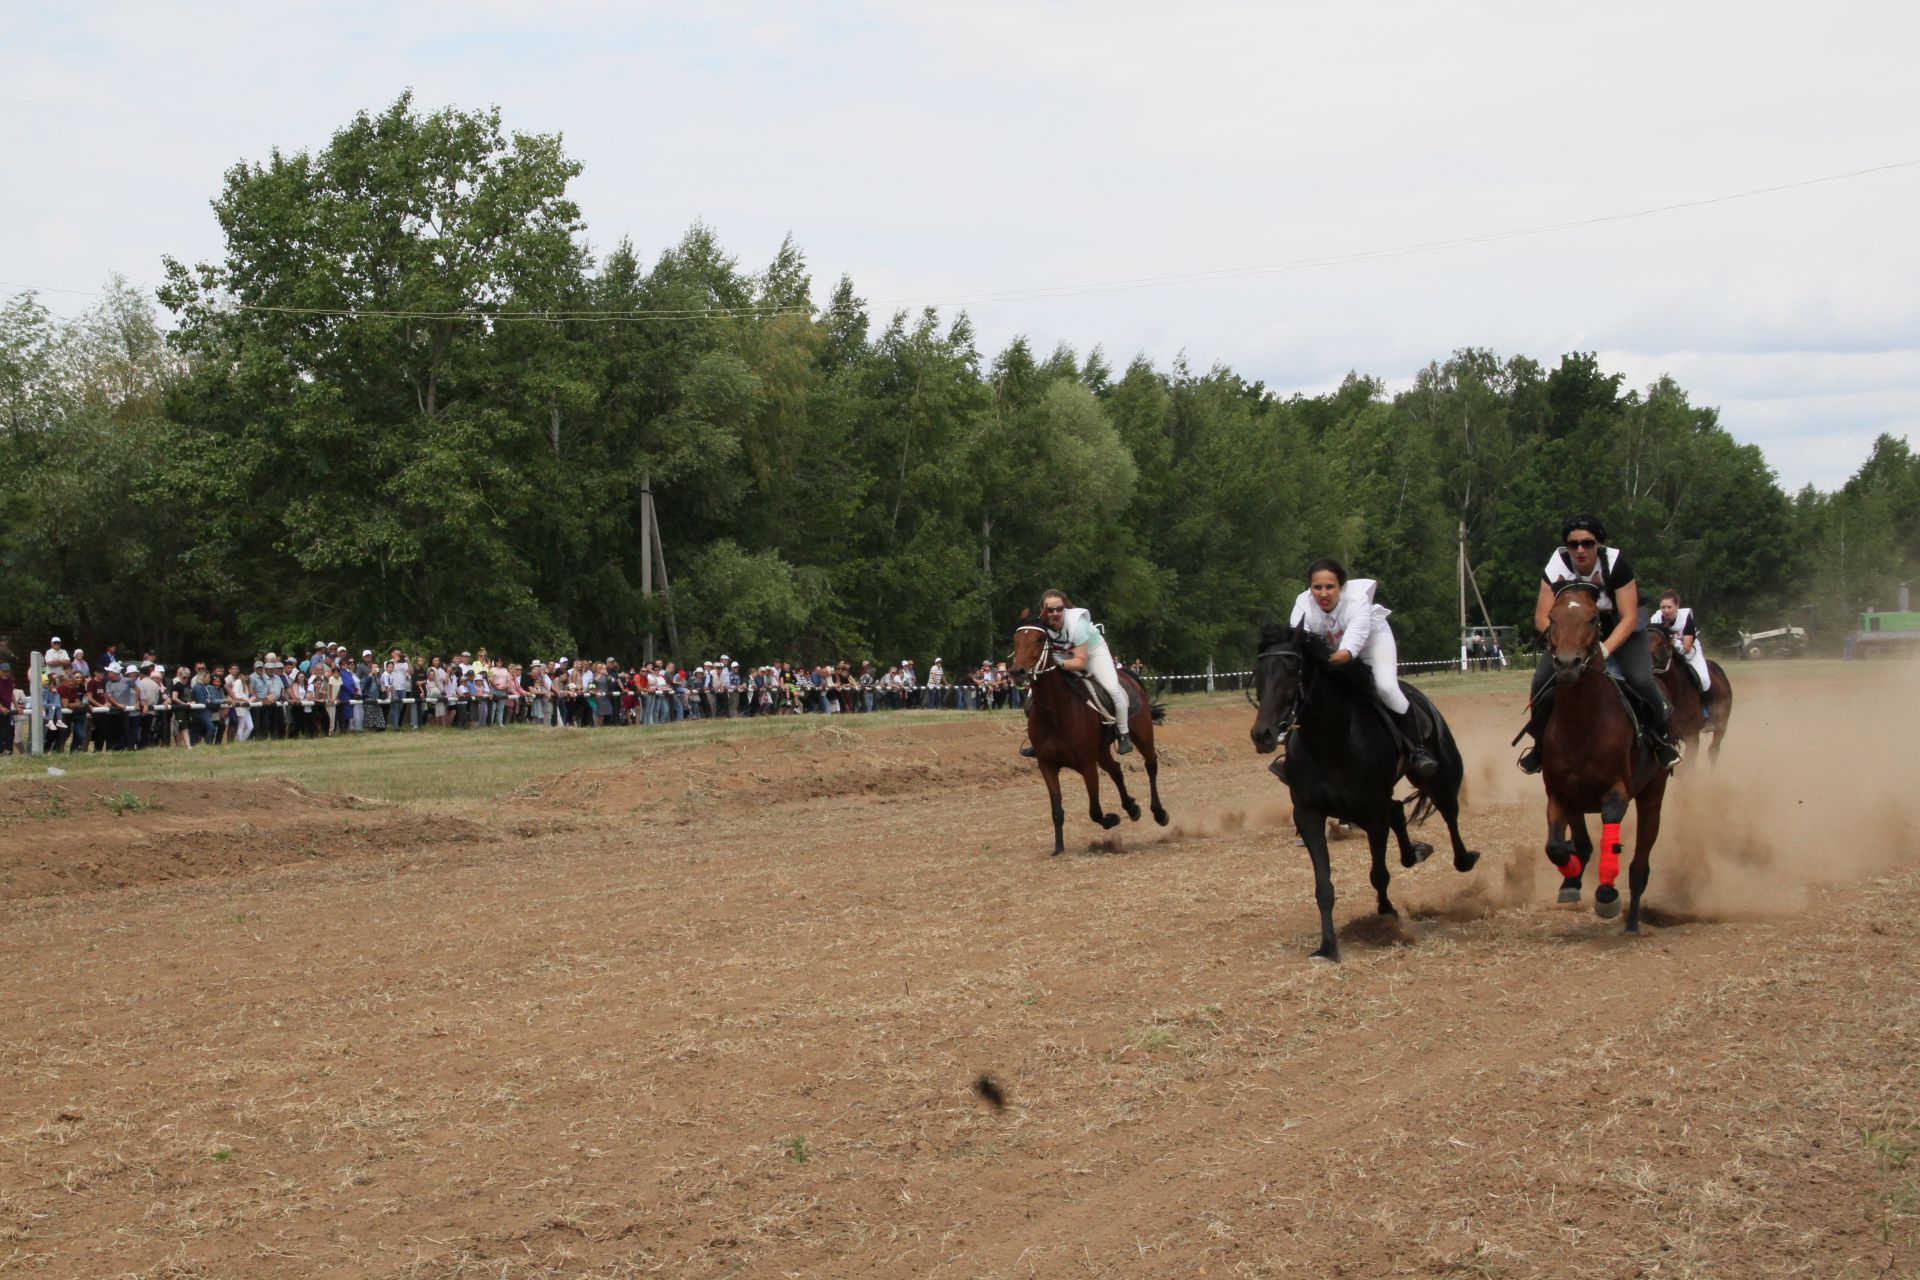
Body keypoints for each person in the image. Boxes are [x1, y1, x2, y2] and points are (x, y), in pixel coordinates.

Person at [1517, 513, 1680, 773]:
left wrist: (1604, 649)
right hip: (1573, 630)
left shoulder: (1616, 564)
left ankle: (1662, 740)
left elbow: (1628, 618)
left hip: (1619, 626)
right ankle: (1539, 746)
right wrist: (1564, 643)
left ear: (1599, 544)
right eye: (1573, 544)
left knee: (1641, 680)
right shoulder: (1556, 565)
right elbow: (1541, 618)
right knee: (1540, 682)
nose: (1580, 550)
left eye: (1587, 543)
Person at [1284, 558, 1439, 781]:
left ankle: (1418, 750)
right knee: (1304, 690)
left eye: (1330, 587)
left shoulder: (1356, 601)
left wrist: (1317, 658)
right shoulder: (1303, 604)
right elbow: (1296, 642)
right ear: (1310, 588)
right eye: (1317, 587)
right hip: (1328, 652)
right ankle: (1291, 752)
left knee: (1385, 687)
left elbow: (1346, 653)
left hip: (1370, 644)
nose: (1323, 593)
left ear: (1341, 587)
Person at [1022, 588, 1132, 756]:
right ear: (1043, 611)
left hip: (1092, 652)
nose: (1055, 613)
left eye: (1059, 609)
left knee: (1112, 689)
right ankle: (1039, 739)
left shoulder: (1077, 624)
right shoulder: (1040, 624)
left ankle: (1123, 734)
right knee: (1033, 695)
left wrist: (1059, 663)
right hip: (1064, 652)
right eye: (1050, 610)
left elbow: (1080, 661)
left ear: (1065, 608)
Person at [1652, 589, 1715, 724]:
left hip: (1689, 652)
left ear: (1677, 606)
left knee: (1704, 680)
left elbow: (1686, 647)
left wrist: (1671, 642)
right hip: (1666, 654)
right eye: (1663, 607)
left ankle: (1707, 713)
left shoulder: (1685, 617)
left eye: (1669, 607)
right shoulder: (1655, 619)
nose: (1666, 610)